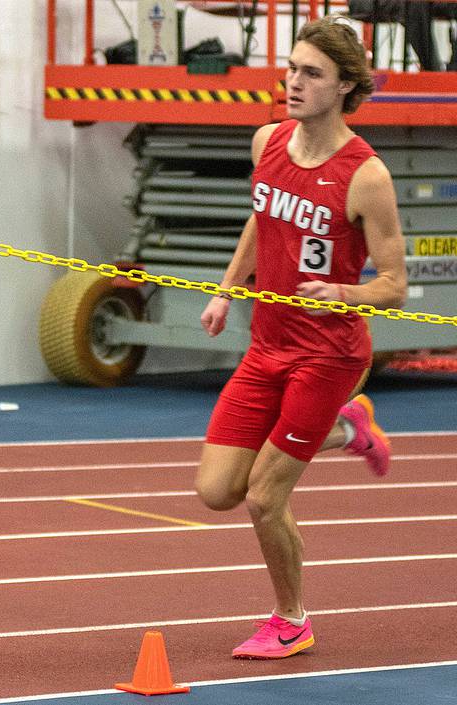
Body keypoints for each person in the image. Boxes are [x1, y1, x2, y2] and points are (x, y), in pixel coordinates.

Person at [196, 16, 407, 659]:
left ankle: (291, 620)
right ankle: (351, 427)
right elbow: (262, 219)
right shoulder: (268, 141)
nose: (292, 82)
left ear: (345, 86)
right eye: (290, 68)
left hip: (329, 354)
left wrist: (345, 293)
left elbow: (394, 285)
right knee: (216, 492)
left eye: (310, 73)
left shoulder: (366, 175)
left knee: (264, 497)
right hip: (267, 346)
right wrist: (228, 288)